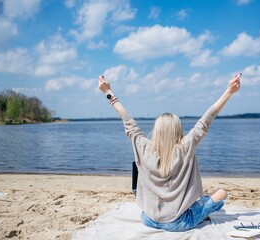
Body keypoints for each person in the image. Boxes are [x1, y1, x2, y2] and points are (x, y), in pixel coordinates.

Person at [98, 73, 241, 232]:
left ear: (157, 130)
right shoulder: (185, 147)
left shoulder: (143, 146)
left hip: (148, 219)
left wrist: (108, 92)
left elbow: (126, 119)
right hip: (178, 223)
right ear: (178, 130)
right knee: (221, 193)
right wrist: (229, 92)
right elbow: (206, 119)